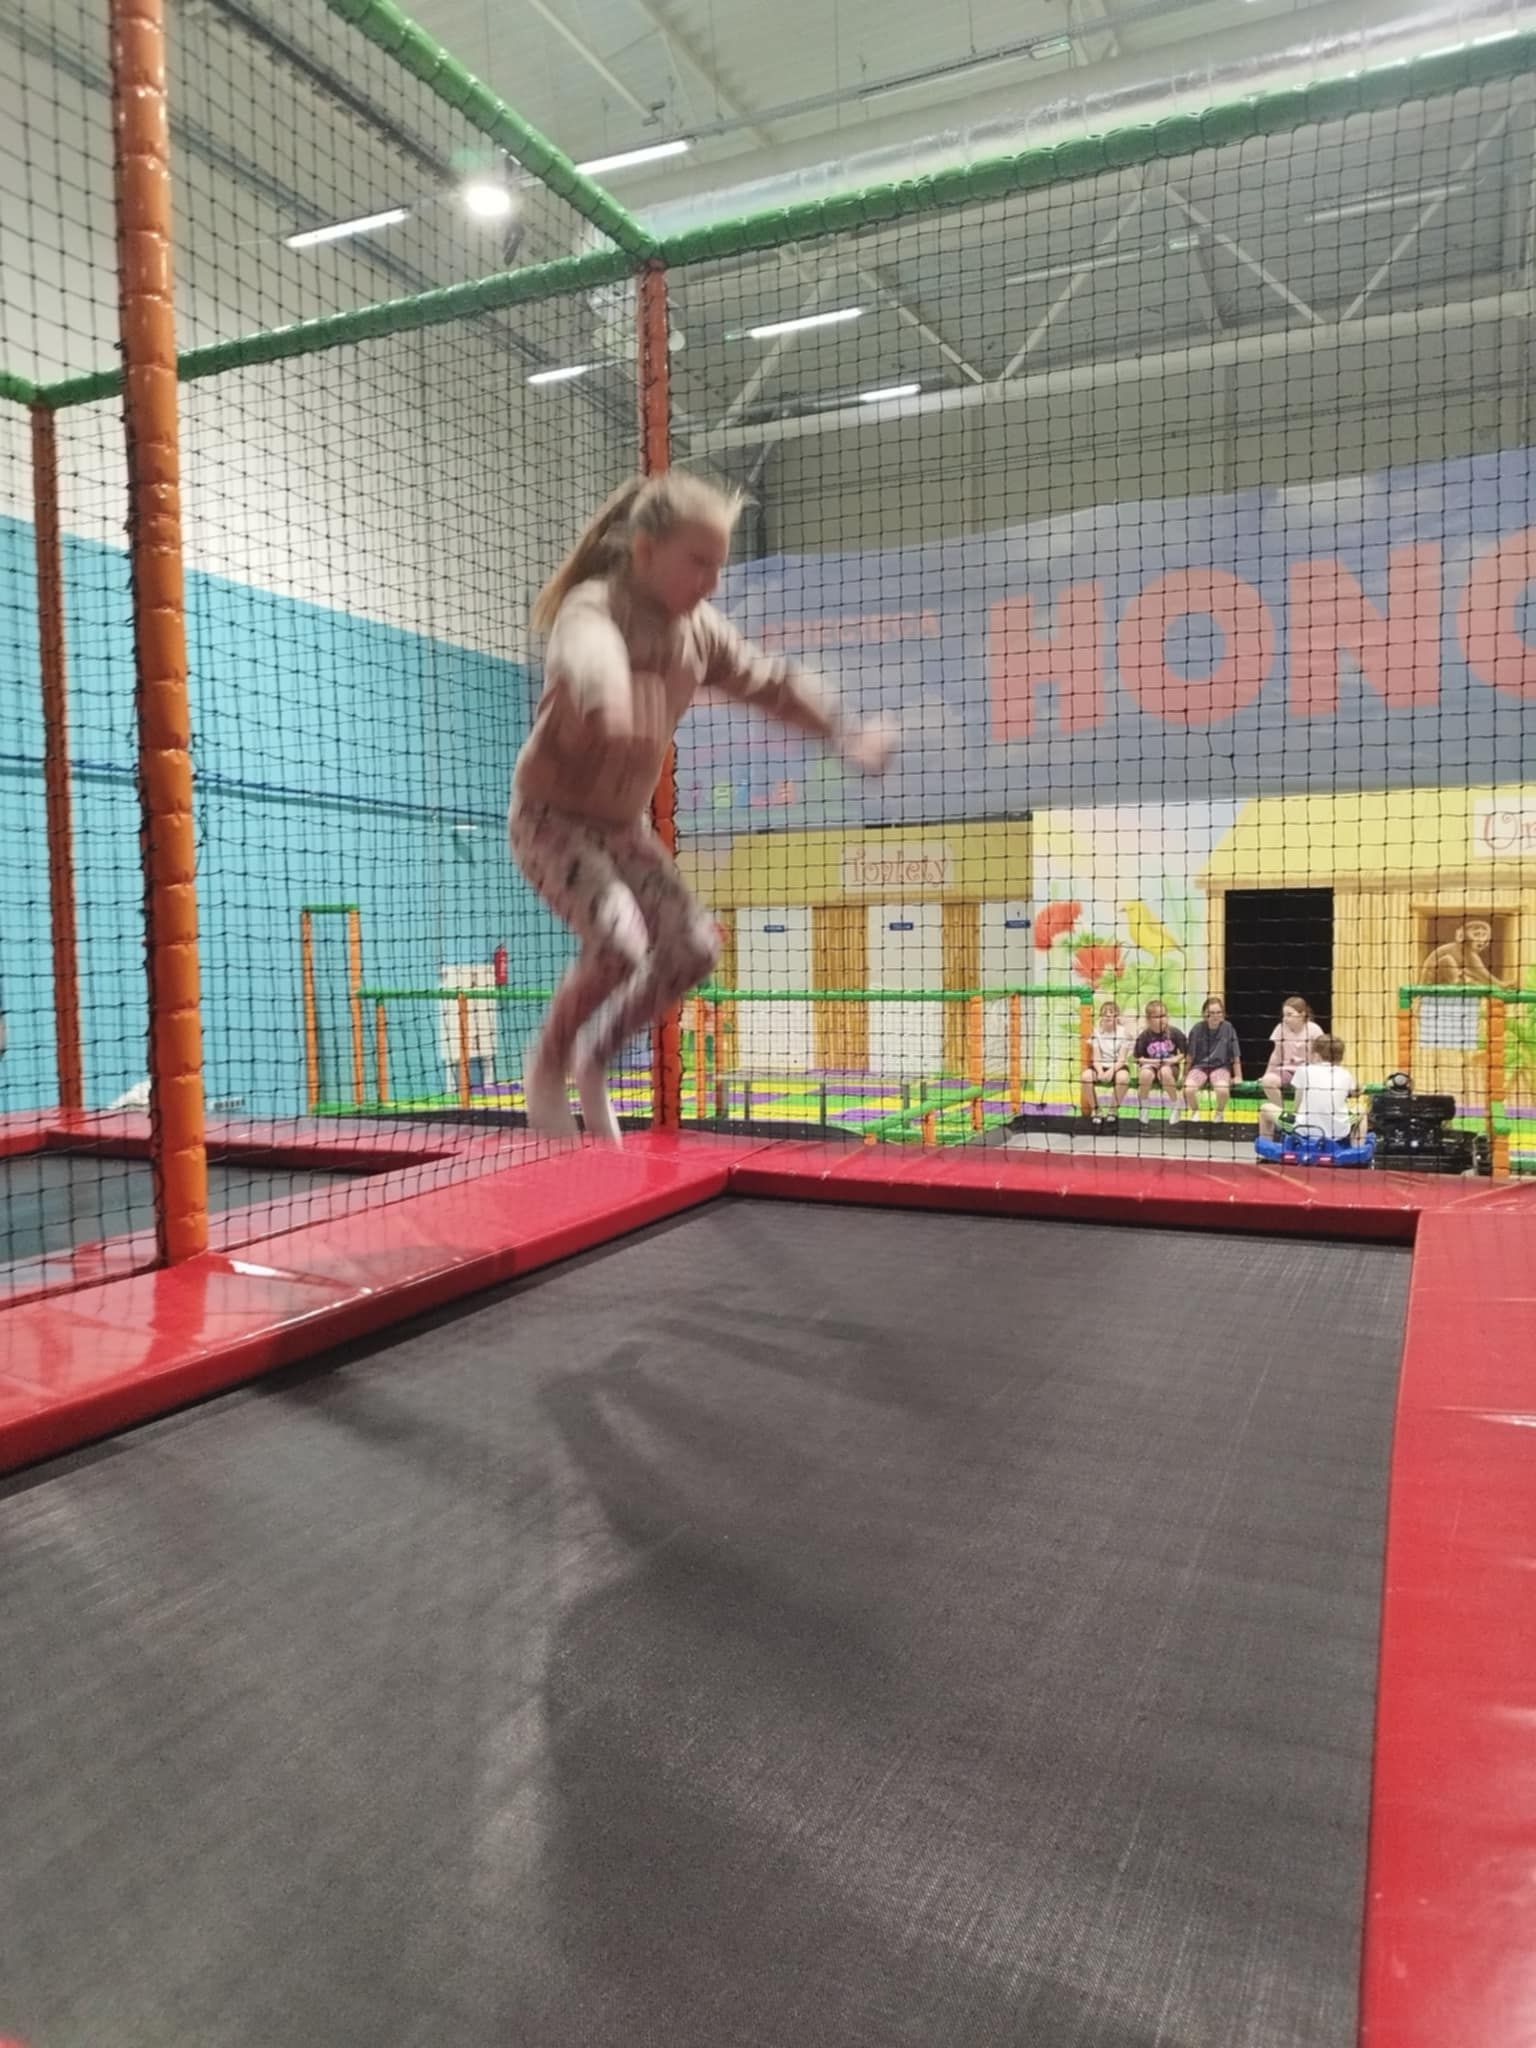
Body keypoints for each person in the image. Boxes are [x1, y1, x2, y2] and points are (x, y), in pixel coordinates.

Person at [511, 471, 894, 1143]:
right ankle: (547, 1064)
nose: (712, 583)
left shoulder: (700, 630)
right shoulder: (595, 606)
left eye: (719, 565)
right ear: (645, 552)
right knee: (619, 943)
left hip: (619, 829)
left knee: (692, 949)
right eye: (698, 563)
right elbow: (587, 653)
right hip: (551, 820)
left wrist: (844, 731)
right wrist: (610, 696)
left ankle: (594, 1061)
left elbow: (772, 682)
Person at [1259, 1034, 1357, 1142]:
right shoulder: (1346, 1074)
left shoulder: (1303, 1070)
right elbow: (1354, 1091)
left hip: (1303, 1129)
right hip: (1339, 1132)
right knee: (1361, 1110)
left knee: (1265, 1108)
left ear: (1316, 1055)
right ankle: (1357, 1148)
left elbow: (1297, 1107)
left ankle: (1267, 1149)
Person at [1182, 996, 1242, 1121]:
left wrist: (1238, 1076)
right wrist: (1185, 1075)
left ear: (1223, 1014)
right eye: (1211, 1013)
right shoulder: (1197, 1029)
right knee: (1189, 1089)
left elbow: (1235, 1054)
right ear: (1204, 1014)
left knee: (1222, 1090)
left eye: (1218, 1012)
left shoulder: (1228, 1028)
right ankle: (1195, 1111)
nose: (1215, 1016)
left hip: (1220, 1067)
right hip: (1200, 1067)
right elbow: (1190, 1056)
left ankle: (1219, 1112)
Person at [1260, 995, 1325, 1109]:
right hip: (1286, 1071)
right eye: (1284, 1015)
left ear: (1302, 1014)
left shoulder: (1314, 1030)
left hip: (1307, 1073)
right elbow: (1276, 1054)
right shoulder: (1280, 1028)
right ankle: (1282, 1113)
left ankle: (1297, 1115)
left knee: (1303, 1082)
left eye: (1289, 1015)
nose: (1285, 1019)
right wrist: (1267, 1073)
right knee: (1268, 1081)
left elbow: (1320, 1055)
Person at [1132, 999, 1189, 1126]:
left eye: (1164, 1015)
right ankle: (1144, 1106)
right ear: (1148, 1020)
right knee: (1145, 1074)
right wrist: (1152, 1061)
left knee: (1164, 1071)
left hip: (1170, 1067)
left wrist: (1174, 1059)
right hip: (1151, 1065)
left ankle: (1175, 1105)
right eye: (1157, 1017)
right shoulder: (1144, 1036)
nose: (1162, 1019)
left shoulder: (1174, 1032)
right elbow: (1138, 1058)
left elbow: (1184, 1053)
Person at [1080, 1000, 1135, 1125]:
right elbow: (1096, 1057)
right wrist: (1100, 1071)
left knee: (1123, 1078)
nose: (1109, 1016)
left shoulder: (1124, 1033)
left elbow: (1122, 1059)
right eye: (1106, 1014)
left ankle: (1112, 1110)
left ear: (1117, 1017)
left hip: (1117, 1066)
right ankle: (1096, 1110)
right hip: (1100, 1065)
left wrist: (1111, 1071)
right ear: (1101, 1017)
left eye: (1112, 1014)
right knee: (1086, 1077)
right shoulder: (1097, 1033)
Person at [1420, 918, 1511, 990]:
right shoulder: (1464, 949)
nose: (1480, 939)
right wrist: (1500, 985)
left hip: (1445, 981)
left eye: (1483, 935)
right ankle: (1460, 983)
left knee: (1469, 973)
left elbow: (1478, 973)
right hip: (1431, 983)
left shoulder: (1469, 953)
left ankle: (1463, 983)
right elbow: (1482, 973)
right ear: (1463, 936)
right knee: (1447, 960)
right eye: (1476, 934)